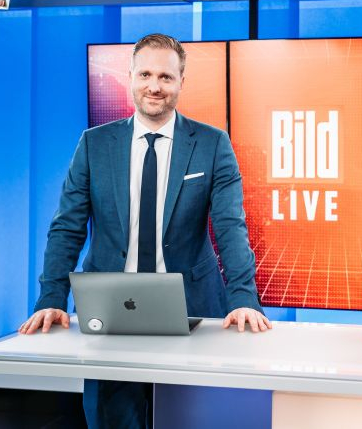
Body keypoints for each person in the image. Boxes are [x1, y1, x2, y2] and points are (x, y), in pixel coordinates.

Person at [18, 33, 271, 428]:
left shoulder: (212, 144)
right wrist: (51, 297)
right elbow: (67, 227)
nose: (155, 86)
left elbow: (230, 227)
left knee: (190, 418)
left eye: (166, 77)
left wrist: (244, 298)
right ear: (131, 77)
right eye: (146, 75)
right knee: (113, 420)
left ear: (181, 82)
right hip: (111, 312)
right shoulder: (94, 144)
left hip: (192, 309)